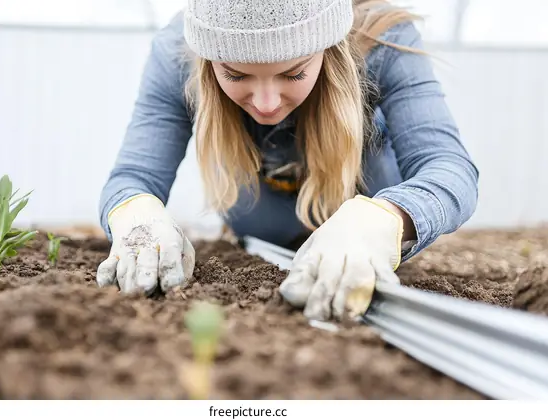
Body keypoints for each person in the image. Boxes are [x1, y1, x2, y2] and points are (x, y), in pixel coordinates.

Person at [96, 0, 479, 321]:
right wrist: (137, 214)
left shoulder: (383, 39)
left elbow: (449, 168)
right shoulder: (176, 50)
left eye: (293, 72)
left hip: (359, 198)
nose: (266, 103)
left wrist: (381, 221)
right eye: (235, 74)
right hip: (262, 223)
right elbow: (134, 175)